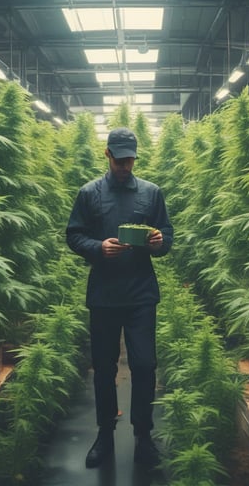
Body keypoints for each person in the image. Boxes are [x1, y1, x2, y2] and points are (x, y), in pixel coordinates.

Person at [66, 127, 174, 469]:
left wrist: (159, 244)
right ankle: (104, 433)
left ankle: (143, 435)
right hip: (104, 294)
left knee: (144, 365)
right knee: (104, 368)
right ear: (107, 154)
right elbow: (74, 235)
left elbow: (166, 235)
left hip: (141, 293)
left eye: (130, 159)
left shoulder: (151, 193)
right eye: (119, 158)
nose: (125, 165)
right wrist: (99, 248)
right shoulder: (89, 193)